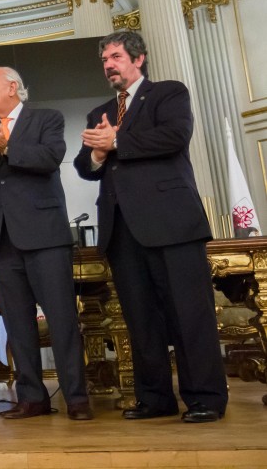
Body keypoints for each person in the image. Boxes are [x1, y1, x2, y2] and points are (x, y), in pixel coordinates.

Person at [74, 31, 227, 423]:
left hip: (172, 223)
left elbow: (175, 136)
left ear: (138, 59)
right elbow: (84, 167)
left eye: (116, 56)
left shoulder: (168, 93)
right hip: (122, 230)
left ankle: (205, 397)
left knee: (189, 314)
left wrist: (117, 140)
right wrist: (95, 152)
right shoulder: (100, 112)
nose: (109, 64)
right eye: (104, 59)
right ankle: (155, 397)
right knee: (140, 318)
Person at [0, 67, 92, 420]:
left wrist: (7, 146)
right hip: (1, 241)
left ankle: (77, 399)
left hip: (45, 237)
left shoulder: (46, 119)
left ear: (12, 87)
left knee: (62, 321)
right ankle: (32, 398)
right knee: (18, 324)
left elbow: (49, 159)